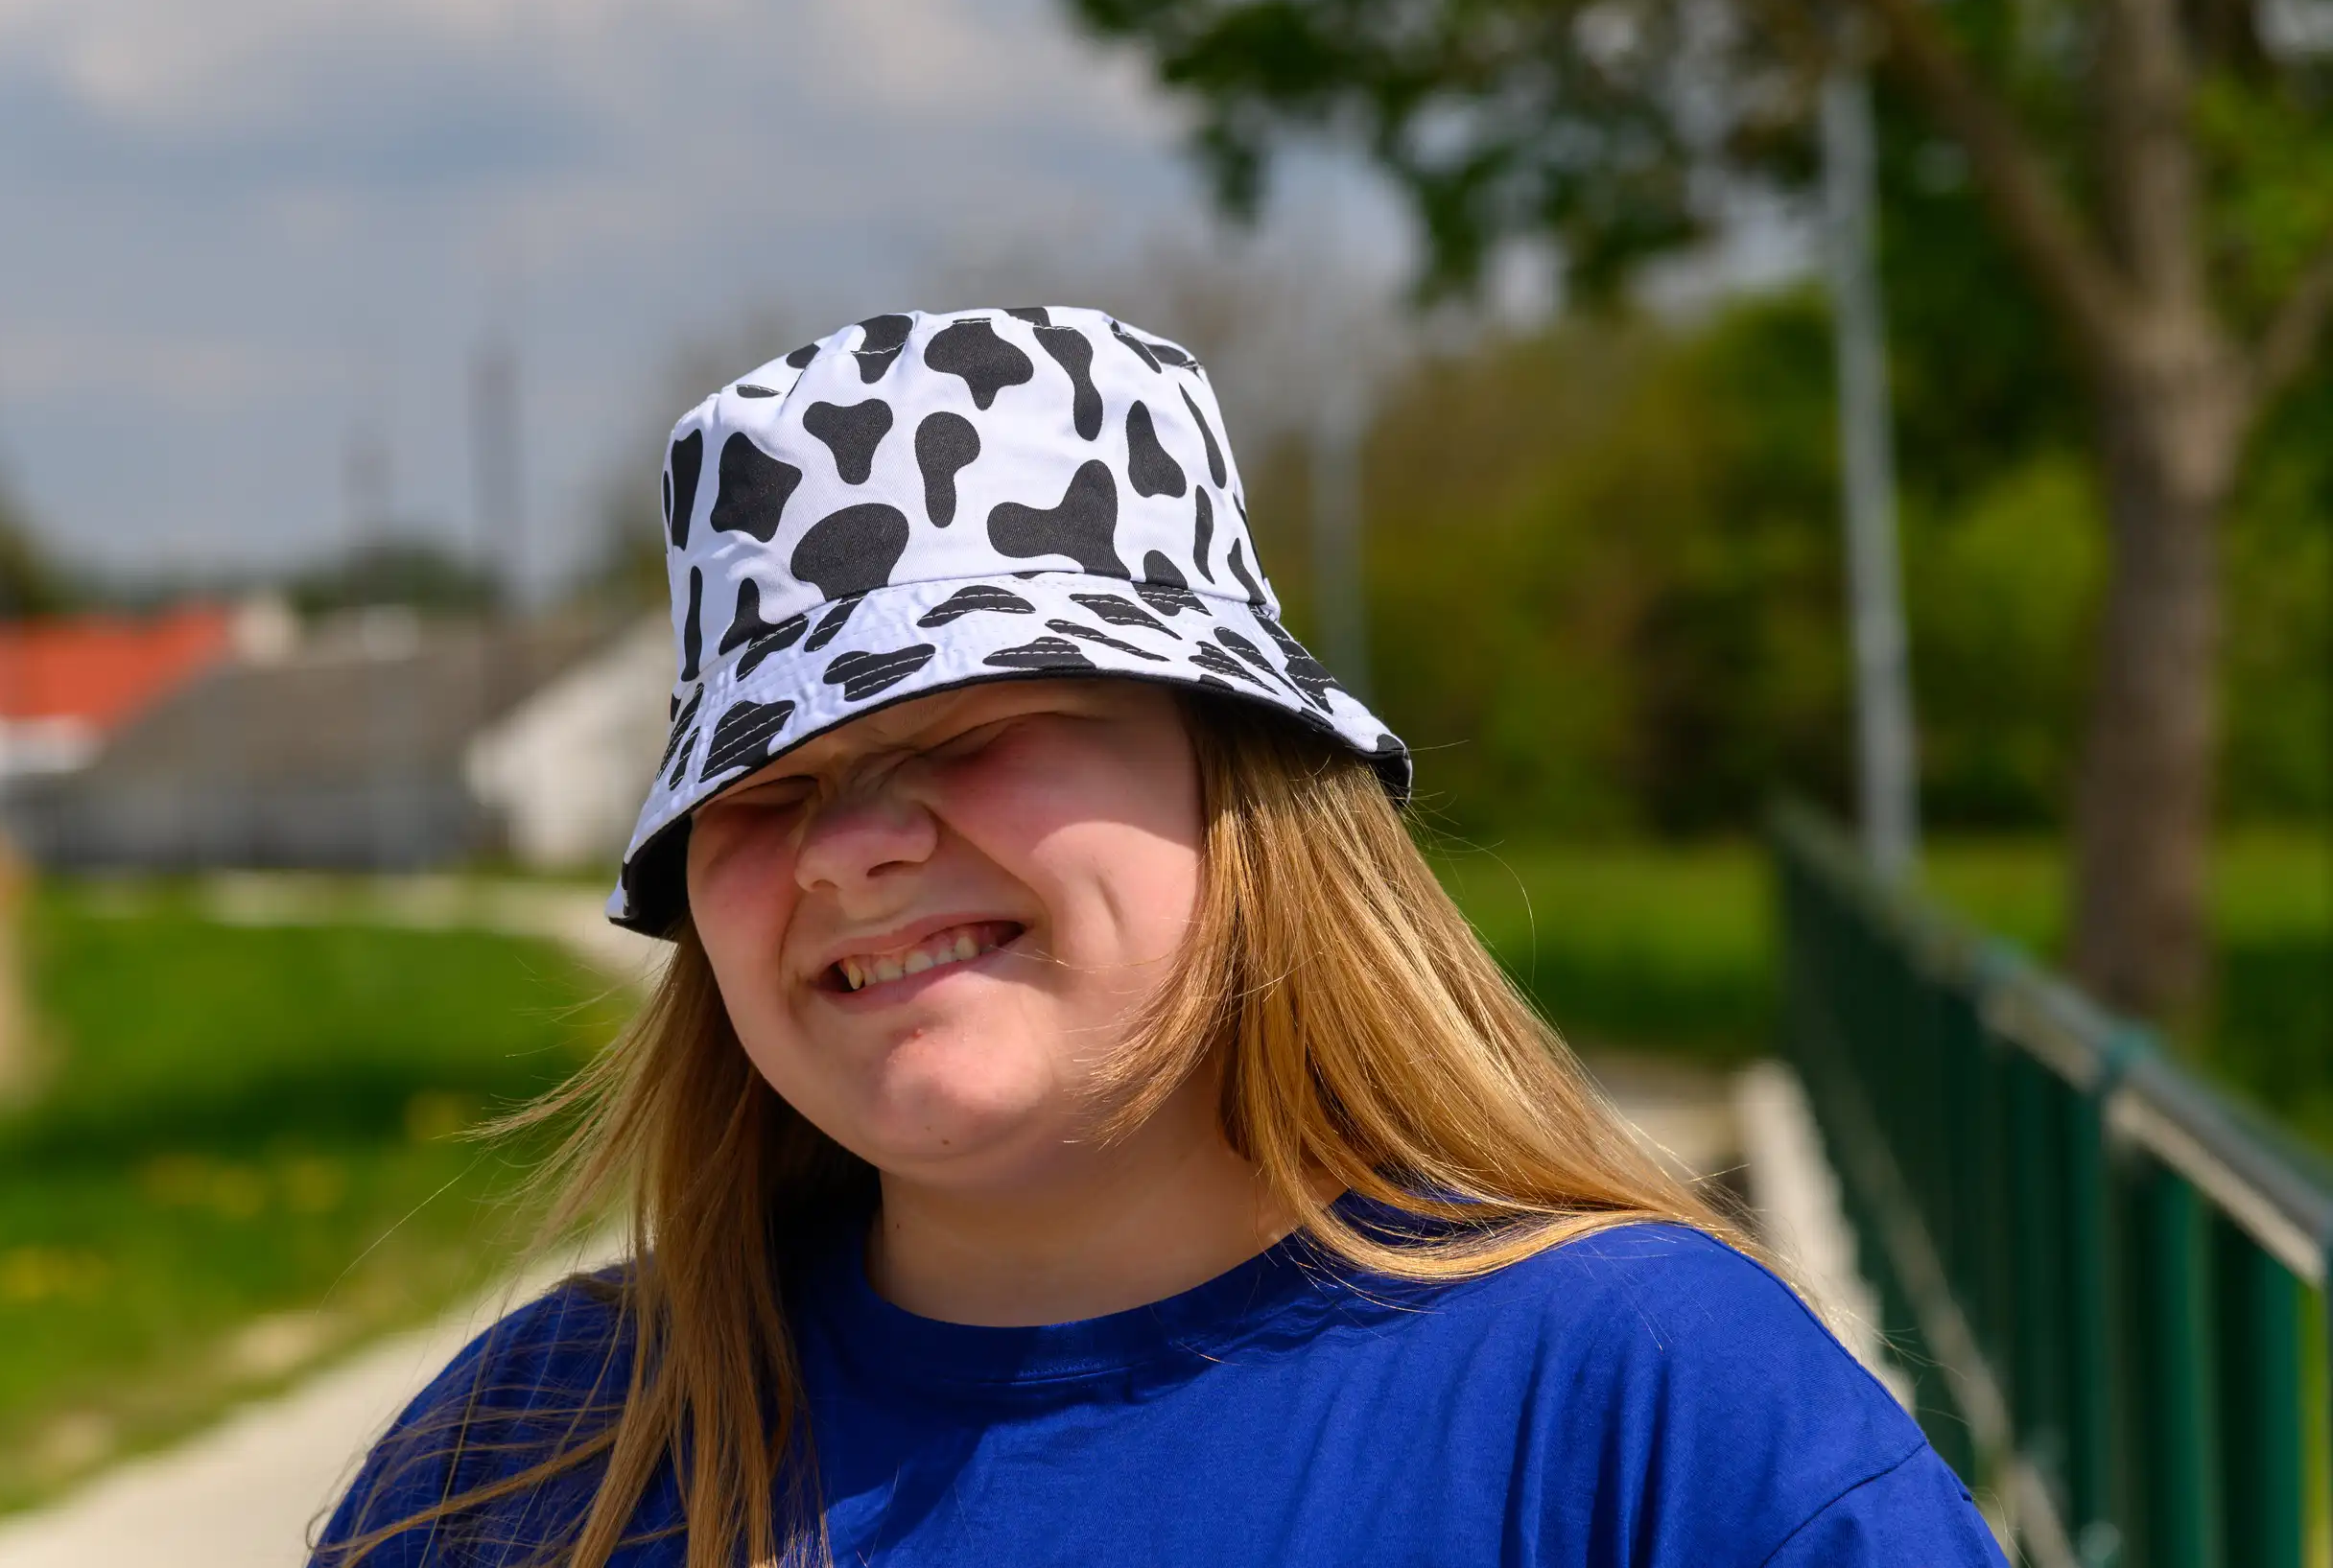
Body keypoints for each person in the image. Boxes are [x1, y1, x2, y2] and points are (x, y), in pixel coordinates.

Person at [314, 307, 2005, 1567]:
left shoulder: (1647, 1410)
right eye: (765, 789)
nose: (849, 845)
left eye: (976, 729)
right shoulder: (529, 1456)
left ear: (1245, 781)